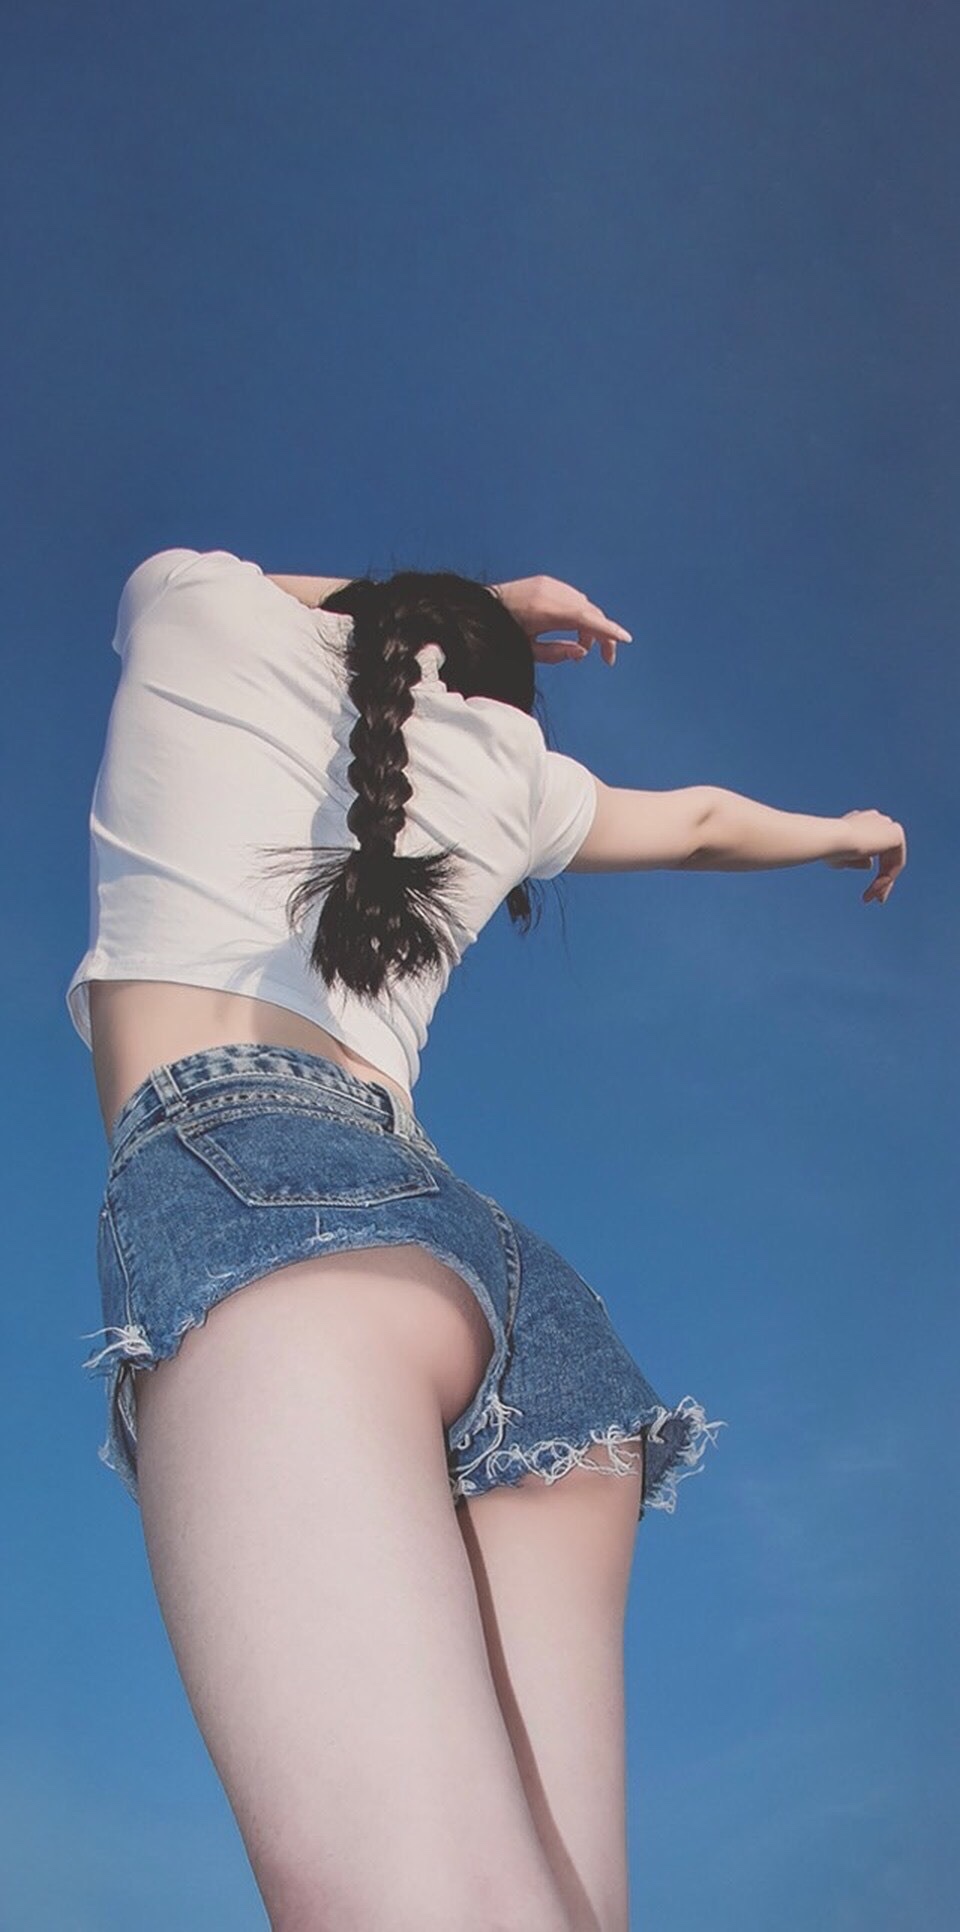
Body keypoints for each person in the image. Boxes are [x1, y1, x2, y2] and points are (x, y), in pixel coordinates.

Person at [66, 549, 906, 1932]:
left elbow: (289, 591)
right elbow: (703, 821)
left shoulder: (194, 609)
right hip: (511, 1293)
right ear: (502, 695)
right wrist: (846, 828)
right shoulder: (513, 768)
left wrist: (496, 600)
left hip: (270, 1208)